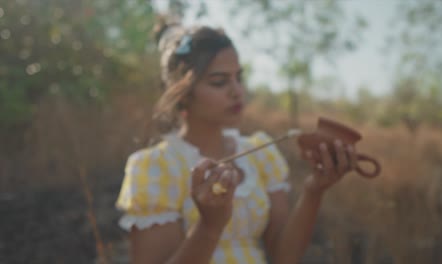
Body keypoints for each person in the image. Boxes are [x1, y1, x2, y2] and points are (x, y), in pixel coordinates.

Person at [115, 19, 358, 264]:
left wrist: (314, 190)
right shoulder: (155, 168)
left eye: (238, 78)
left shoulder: (259, 153)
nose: (237, 91)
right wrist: (209, 227)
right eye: (219, 82)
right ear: (183, 93)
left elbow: (284, 257)